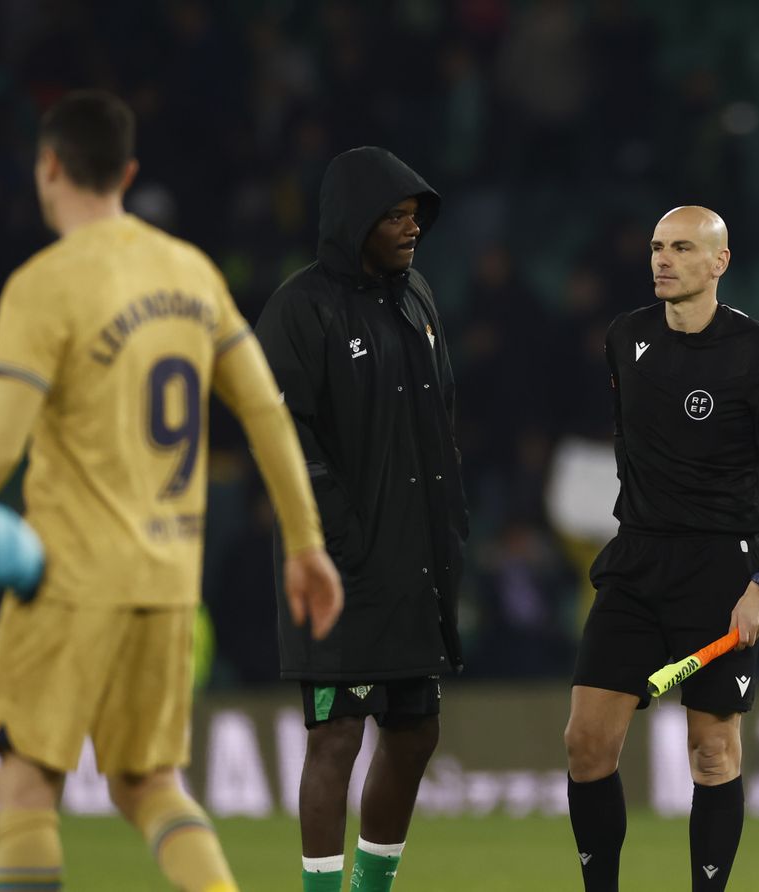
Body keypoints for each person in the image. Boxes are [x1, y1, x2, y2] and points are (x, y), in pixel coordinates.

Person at [0, 90, 342, 892]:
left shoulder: (43, 285)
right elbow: (263, 411)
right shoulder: (191, 273)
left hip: (71, 578)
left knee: (26, 781)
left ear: (48, 168)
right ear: (127, 171)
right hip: (171, 583)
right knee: (149, 787)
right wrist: (306, 544)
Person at [563, 206, 759, 892]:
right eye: (656, 247)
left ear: (718, 262)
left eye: (680, 248)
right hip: (636, 561)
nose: (662, 260)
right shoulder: (626, 338)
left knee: (712, 751)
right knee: (585, 744)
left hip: (720, 569)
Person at [254, 147, 469, 892]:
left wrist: (451, 523)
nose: (411, 231)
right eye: (394, 217)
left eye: (416, 218)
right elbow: (282, 436)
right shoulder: (299, 308)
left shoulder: (419, 300)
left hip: (415, 559)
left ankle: (371, 889)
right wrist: (335, 535)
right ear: (354, 223)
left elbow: (441, 417)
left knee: (415, 733)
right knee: (336, 735)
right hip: (338, 567)